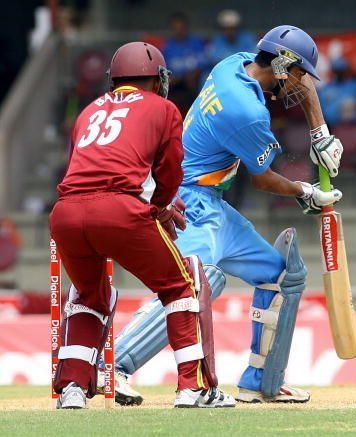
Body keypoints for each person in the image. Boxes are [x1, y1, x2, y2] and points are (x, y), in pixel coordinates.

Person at [102, 25, 343, 405]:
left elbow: (302, 86)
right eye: (298, 74)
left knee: (283, 276)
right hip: (188, 203)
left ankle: (261, 381)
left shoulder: (235, 63)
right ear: (281, 65)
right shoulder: (246, 112)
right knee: (196, 283)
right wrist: (307, 192)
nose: (301, 85)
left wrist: (320, 134)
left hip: (211, 202)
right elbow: (263, 180)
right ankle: (113, 365)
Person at [49, 42, 234, 409]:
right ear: (157, 78)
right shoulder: (163, 108)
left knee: (89, 297)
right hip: (118, 210)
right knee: (180, 286)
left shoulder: (89, 111)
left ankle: (71, 388)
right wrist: (162, 204)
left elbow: (83, 166)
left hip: (66, 213)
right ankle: (192, 388)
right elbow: (170, 170)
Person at [162, 12, 208, 114]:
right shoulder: (168, 47)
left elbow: (204, 63)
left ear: (186, 27)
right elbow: (164, 70)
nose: (179, 31)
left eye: (181, 27)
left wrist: (194, 74)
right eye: (175, 28)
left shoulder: (196, 42)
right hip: (175, 83)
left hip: (193, 82)